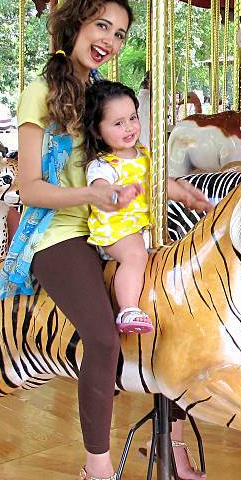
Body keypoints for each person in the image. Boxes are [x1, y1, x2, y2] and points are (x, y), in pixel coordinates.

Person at [0, 0, 209, 480]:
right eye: (102, 27)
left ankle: (173, 438)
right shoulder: (38, 93)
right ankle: (96, 471)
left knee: (175, 313)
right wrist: (92, 195)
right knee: (103, 335)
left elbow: (129, 158)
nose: (109, 40)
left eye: (119, 33)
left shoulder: (99, 93)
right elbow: (30, 187)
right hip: (58, 230)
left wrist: (180, 189)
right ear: (75, 25)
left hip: (105, 224)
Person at [83, 81, 154, 334]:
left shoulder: (144, 154)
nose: (129, 127)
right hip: (116, 231)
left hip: (143, 226)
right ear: (98, 131)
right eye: (117, 123)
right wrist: (116, 194)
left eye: (132, 118)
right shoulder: (103, 165)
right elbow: (100, 189)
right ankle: (128, 309)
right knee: (136, 254)